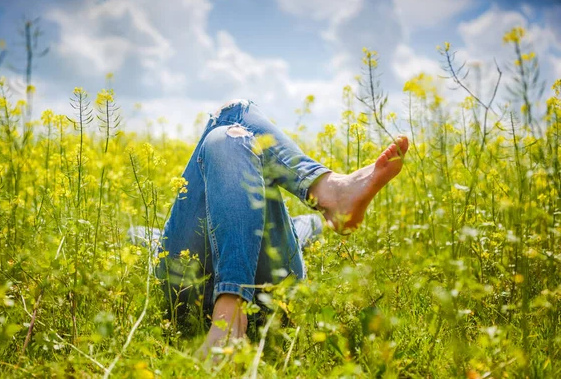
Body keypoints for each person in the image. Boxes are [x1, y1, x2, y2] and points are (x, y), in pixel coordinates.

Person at [130, 99, 408, 357]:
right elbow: (138, 234)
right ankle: (328, 188)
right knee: (231, 122)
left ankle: (229, 313)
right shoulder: (303, 226)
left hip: (196, 285)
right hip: (260, 289)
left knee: (225, 137)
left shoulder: (152, 237)